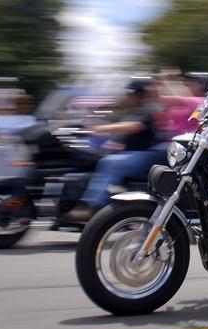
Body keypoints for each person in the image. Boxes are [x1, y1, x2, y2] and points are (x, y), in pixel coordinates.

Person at [63, 77, 163, 222]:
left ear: (140, 94)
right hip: (135, 153)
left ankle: (92, 206)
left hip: (145, 156)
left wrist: (98, 129)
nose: (129, 97)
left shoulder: (148, 109)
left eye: (132, 94)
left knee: (110, 163)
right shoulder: (134, 110)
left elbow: (133, 127)